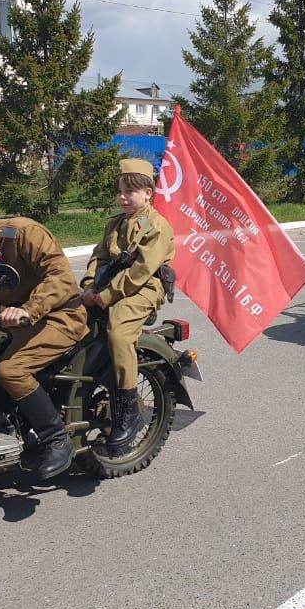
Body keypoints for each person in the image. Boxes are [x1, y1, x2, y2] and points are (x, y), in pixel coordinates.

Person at [0, 195, 88, 481]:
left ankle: (56, 439)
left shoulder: (24, 233)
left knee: (11, 370)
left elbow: (61, 279)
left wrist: (27, 309)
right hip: (22, 323)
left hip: (61, 317)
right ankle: (4, 431)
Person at [80, 159, 175, 450]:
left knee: (119, 332)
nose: (123, 197)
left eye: (130, 191)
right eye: (120, 191)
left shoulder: (157, 226)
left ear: (148, 192)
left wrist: (106, 296)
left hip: (144, 289)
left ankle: (129, 410)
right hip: (109, 286)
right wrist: (88, 286)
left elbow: (141, 271)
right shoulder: (115, 223)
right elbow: (99, 257)